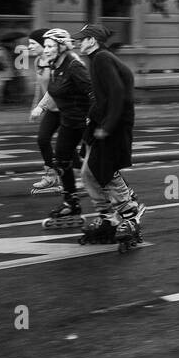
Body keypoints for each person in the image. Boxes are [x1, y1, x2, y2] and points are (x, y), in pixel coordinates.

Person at [75, 24, 147, 249]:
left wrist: (107, 126)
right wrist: (90, 130)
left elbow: (117, 93)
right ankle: (108, 218)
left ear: (93, 41)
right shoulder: (98, 60)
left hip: (115, 126)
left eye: (83, 39)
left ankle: (130, 214)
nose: (79, 42)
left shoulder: (102, 59)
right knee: (89, 172)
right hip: (106, 124)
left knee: (105, 169)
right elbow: (101, 99)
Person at [32, 29, 92, 227]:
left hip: (83, 121)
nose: (46, 49)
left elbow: (92, 92)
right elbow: (53, 91)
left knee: (98, 164)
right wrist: (40, 107)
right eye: (46, 46)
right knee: (61, 159)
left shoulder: (74, 65)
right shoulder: (54, 65)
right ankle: (71, 202)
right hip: (68, 120)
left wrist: (95, 119)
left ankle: (123, 203)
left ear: (61, 47)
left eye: (50, 46)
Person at [26, 29, 62, 195]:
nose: (29, 46)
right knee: (42, 139)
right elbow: (39, 87)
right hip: (52, 109)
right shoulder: (37, 62)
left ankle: (83, 178)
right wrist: (35, 106)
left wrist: (40, 107)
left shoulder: (55, 62)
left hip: (66, 109)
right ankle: (51, 176)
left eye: (33, 44)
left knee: (66, 147)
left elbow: (54, 88)